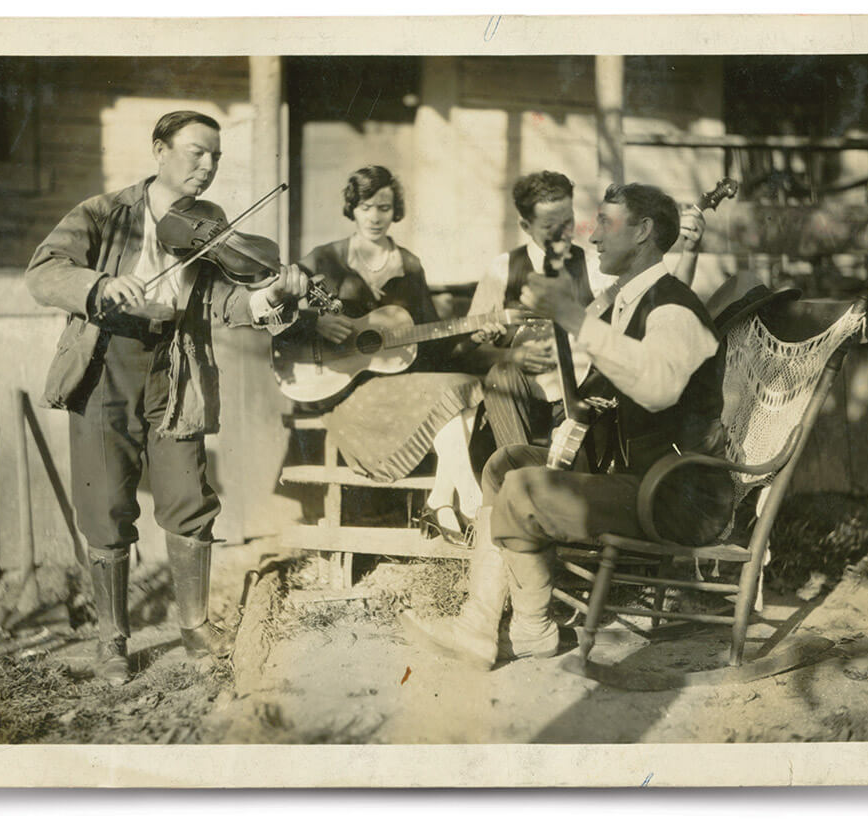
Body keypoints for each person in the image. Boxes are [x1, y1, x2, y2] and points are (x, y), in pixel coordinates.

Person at [400, 182, 733, 670]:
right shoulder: (624, 301)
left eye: (606, 223)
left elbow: (659, 386)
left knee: (521, 490)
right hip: (631, 473)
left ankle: (510, 628)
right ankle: (512, 625)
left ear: (642, 232)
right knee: (503, 465)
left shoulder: (673, 308)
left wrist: (575, 318)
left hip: (673, 493)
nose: (592, 236)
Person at [25, 110, 308, 684]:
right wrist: (100, 285)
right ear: (160, 149)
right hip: (106, 364)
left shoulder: (212, 223)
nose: (207, 167)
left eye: (216, 158)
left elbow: (224, 304)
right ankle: (112, 640)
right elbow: (44, 271)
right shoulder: (106, 214)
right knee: (104, 503)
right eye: (196, 153)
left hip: (175, 365)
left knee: (186, 494)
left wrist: (272, 295)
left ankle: (195, 626)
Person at [281, 165, 489, 541]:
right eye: (366, 207)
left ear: (396, 212)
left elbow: (430, 343)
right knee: (453, 395)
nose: (375, 217)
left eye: (384, 207)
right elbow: (273, 308)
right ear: (352, 209)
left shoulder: (409, 265)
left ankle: (442, 501)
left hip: (397, 384)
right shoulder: (325, 259)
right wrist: (314, 323)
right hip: (342, 387)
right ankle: (467, 502)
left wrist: (474, 335)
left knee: (466, 386)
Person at [459, 171, 707, 450]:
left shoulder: (593, 265)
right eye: (549, 225)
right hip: (515, 396)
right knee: (501, 375)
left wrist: (690, 252)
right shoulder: (501, 270)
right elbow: (467, 353)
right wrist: (512, 355)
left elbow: (658, 296)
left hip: (577, 395)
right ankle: (520, 470)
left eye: (568, 222)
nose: (563, 233)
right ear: (526, 226)